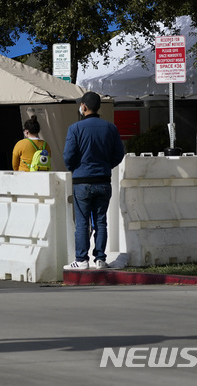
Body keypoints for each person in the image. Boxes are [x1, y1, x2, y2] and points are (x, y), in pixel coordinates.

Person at [63, 91, 124, 270]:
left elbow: (68, 156)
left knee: (82, 221)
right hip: (103, 180)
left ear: (84, 106)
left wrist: (75, 168)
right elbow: (118, 155)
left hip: (82, 181)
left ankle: (81, 259)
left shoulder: (75, 129)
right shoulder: (110, 128)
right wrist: (105, 165)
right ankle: (100, 259)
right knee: (101, 220)